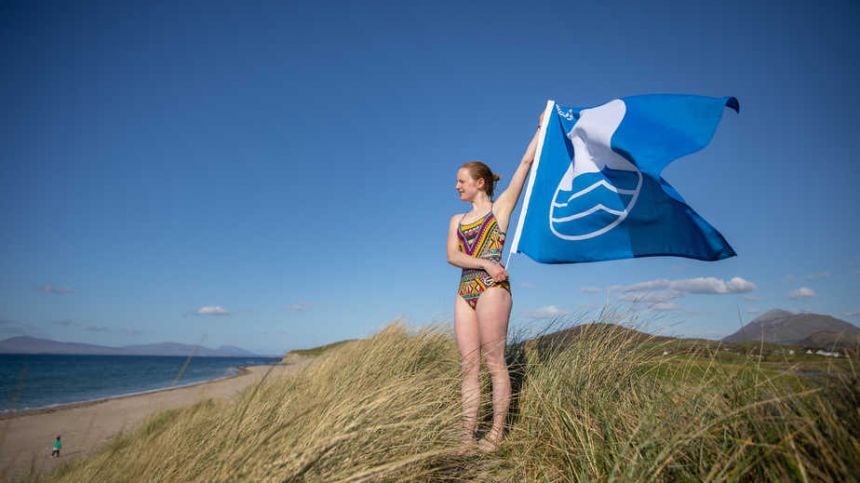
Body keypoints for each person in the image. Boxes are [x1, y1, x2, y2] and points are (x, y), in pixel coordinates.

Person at [446, 115, 542, 453]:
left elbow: (526, 164)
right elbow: (453, 256)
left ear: (481, 183)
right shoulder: (456, 219)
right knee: (468, 366)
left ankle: (496, 434)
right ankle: (466, 436)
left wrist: (540, 129)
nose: (457, 186)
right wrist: (485, 261)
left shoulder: (500, 209)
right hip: (466, 290)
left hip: (492, 290)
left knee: (493, 363)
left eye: (462, 181)